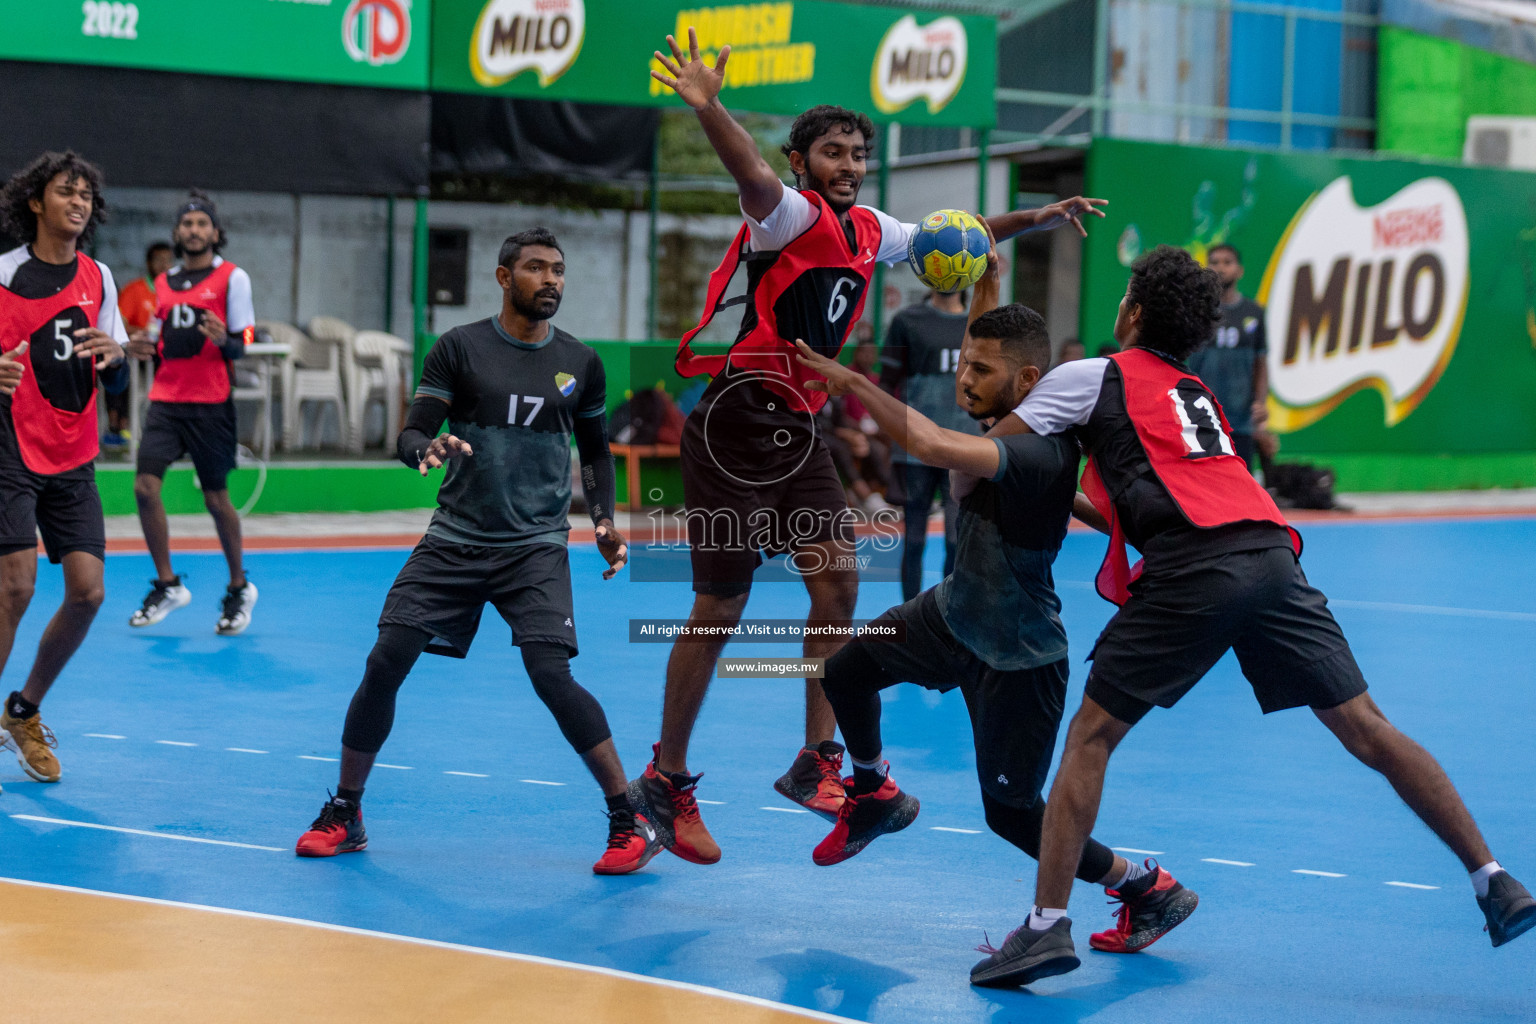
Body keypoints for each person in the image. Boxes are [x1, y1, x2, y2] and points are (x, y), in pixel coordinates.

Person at [976, 245, 1534, 988]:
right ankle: (1494, 879)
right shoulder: (1194, 392)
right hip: (1273, 556)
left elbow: (985, 454)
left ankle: (1046, 929)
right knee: (1367, 726)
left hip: (1193, 566)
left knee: (1091, 738)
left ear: (1133, 313)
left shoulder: (1092, 375)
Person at [636, 27, 1106, 866]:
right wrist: (710, 107)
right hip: (737, 422)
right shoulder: (787, 215)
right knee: (721, 604)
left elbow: (948, 237)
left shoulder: (867, 230)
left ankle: (818, 762)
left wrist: (1036, 215)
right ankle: (666, 780)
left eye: (857, 153)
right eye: (832, 152)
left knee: (839, 583)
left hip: (801, 426)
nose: (848, 165)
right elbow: (747, 171)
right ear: (802, 160)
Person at [792, 253, 1197, 976]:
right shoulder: (1015, 416)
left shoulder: (1032, 448)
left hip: (1018, 652)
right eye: (964, 364)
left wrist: (852, 383)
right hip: (952, 616)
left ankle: (1148, 889)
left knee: (1012, 815)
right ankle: (874, 788)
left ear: (1027, 382)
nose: (963, 379)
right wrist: (987, 283)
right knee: (845, 673)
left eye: (979, 370)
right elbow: (1051, 485)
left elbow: (923, 443)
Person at [293, 228, 656, 875]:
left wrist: (603, 521)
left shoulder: (582, 361)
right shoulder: (460, 349)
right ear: (503, 276)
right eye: (537, 268)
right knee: (387, 658)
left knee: (551, 674)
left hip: (535, 547)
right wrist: (423, 450)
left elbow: (596, 450)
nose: (551, 280)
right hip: (455, 539)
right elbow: (412, 432)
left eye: (558, 270)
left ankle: (630, 819)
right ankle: (346, 811)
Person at [0, 151, 129, 788]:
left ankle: (22, 711)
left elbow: (121, 361)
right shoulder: (2, 275)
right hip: (11, 450)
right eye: (64, 192)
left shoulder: (100, 278)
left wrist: (118, 355)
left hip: (74, 454)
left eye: (85, 195)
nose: (77, 202)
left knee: (88, 591)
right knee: (16, 586)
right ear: (35, 202)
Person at [126, 192, 258, 636]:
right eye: (187, 224)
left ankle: (239, 588)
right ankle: (167, 585)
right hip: (166, 401)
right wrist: (143, 347)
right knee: (145, 488)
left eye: (203, 223)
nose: (194, 230)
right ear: (177, 233)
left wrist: (226, 340)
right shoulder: (164, 283)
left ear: (216, 233)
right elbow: (160, 340)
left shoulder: (232, 278)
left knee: (216, 499)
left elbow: (244, 342)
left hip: (211, 404)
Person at [880, 288, 977, 601]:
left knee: (955, 540)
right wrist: (891, 436)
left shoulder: (979, 320)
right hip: (915, 447)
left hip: (962, 449)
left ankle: (945, 615)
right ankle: (909, 613)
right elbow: (885, 384)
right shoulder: (907, 320)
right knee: (913, 542)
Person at [1186, 243, 1267, 469]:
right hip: (1200, 415)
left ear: (1239, 270)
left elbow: (1261, 362)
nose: (1221, 268)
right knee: (1202, 481)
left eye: (1227, 262)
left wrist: (1260, 402)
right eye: (1215, 262)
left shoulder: (1254, 312)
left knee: (1239, 483)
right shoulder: (1197, 310)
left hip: (1239, 420)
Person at [106, 240, 173, 449]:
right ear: (148, 263)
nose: (164, 265)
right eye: (158, 260)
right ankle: (118, 426)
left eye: (168, 261)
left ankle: (181, 432)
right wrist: (141, 332)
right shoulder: (134, 290)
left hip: (169, 352)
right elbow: (120, 326)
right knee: (116, 364)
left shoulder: (178, 291)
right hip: (139, 351)